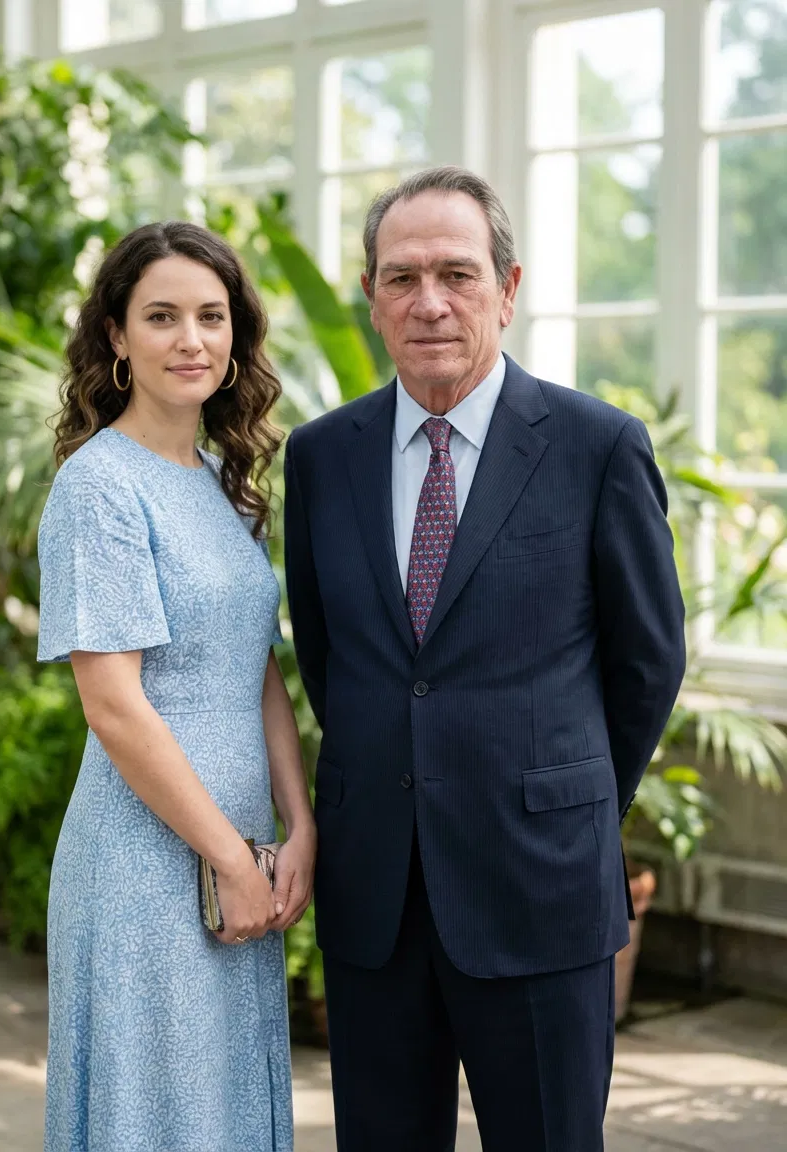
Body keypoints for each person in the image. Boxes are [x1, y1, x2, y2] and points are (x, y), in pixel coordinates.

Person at [284, 166, 686, 1152]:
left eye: (457, 274)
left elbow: (647, 665)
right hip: (376, 894)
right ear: (371, 299)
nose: (428, 302)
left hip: (540, 886)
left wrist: (565, 797)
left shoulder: (596, 448)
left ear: (507, 290)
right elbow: (330, 660)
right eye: (400, 276)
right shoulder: (319, 456)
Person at [36, 221, 315, 1152]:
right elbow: (113, 705)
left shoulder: (222, 481)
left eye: (211, 315)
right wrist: (231, 861)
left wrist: (295, 823)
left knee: (225, 1108)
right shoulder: (98, 488)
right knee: (158, 1113)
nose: (190, 339)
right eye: (161, 317)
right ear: (116, 336)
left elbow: (255, 665)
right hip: (146, 861)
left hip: (240, 844)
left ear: (236, 334)